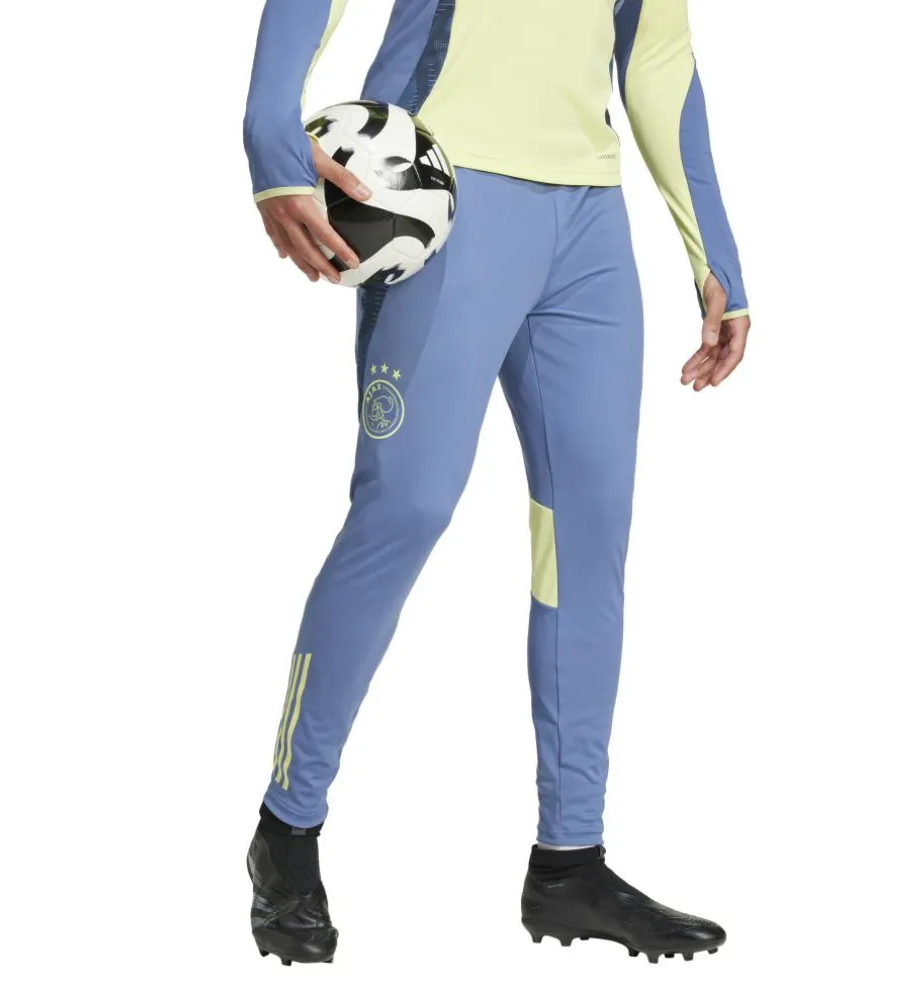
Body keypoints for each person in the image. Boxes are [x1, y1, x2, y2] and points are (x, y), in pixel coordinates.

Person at [243, 0, 750, 967]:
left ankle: (570, 861)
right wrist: (271, 134)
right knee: (406, 509)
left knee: (588, 535)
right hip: (437, 191)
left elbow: (657, 53)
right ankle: (287, 828)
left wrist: (714, 255)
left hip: (589, 222)